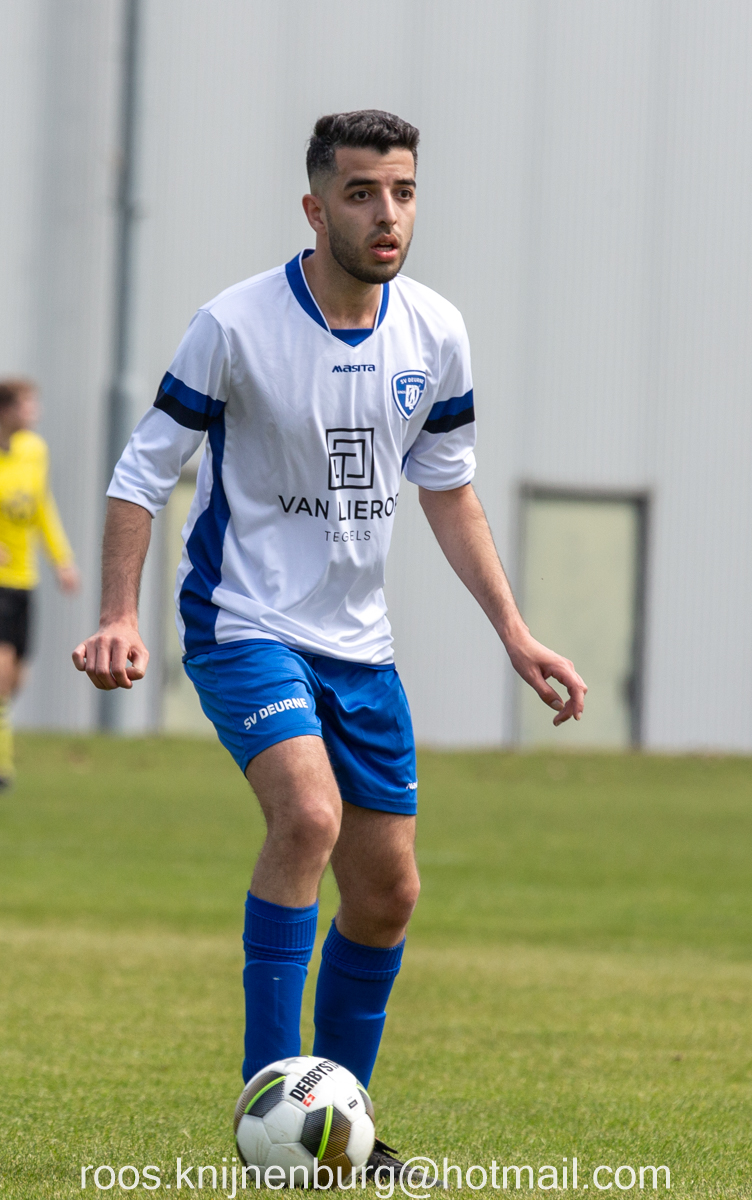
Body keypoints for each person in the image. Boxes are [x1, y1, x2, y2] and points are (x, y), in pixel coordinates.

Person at [73, 110, 586, 1172]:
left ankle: (340, 1127)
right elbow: (142, 473)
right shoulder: (234, 325)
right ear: (314, 208)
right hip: (244, 624)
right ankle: (271, 1114)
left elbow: (448, 490)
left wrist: (515, 632)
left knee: (388, 894)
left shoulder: (434, 332)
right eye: (360, 193)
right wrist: (119, 613)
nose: (386, 213)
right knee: (307, 815)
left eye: (402, 190)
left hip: (360, 647)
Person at [0, 378, 79, 786]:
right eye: (28, 405)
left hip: (24, 581)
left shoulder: (35, 451)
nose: (36, 412)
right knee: (1, 673)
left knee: (16, 679)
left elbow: (42, 508)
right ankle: (3, 766)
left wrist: (62, 561)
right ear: (6, 409)